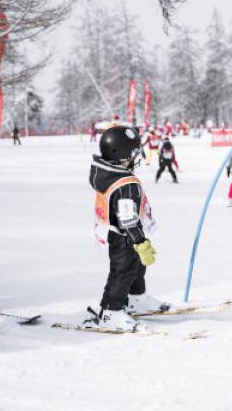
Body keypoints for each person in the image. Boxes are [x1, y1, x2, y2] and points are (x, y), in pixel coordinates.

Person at [89, 125, 166, 332]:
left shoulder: (108, 174)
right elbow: (128, 219)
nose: (137, 156)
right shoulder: (125, 183)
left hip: (120, 233)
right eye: (134, 153)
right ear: (123, 155)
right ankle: (111, 312)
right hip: (124, 237)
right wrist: (140, 242)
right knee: (122, 272)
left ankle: (136, 298)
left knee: (137, 268)